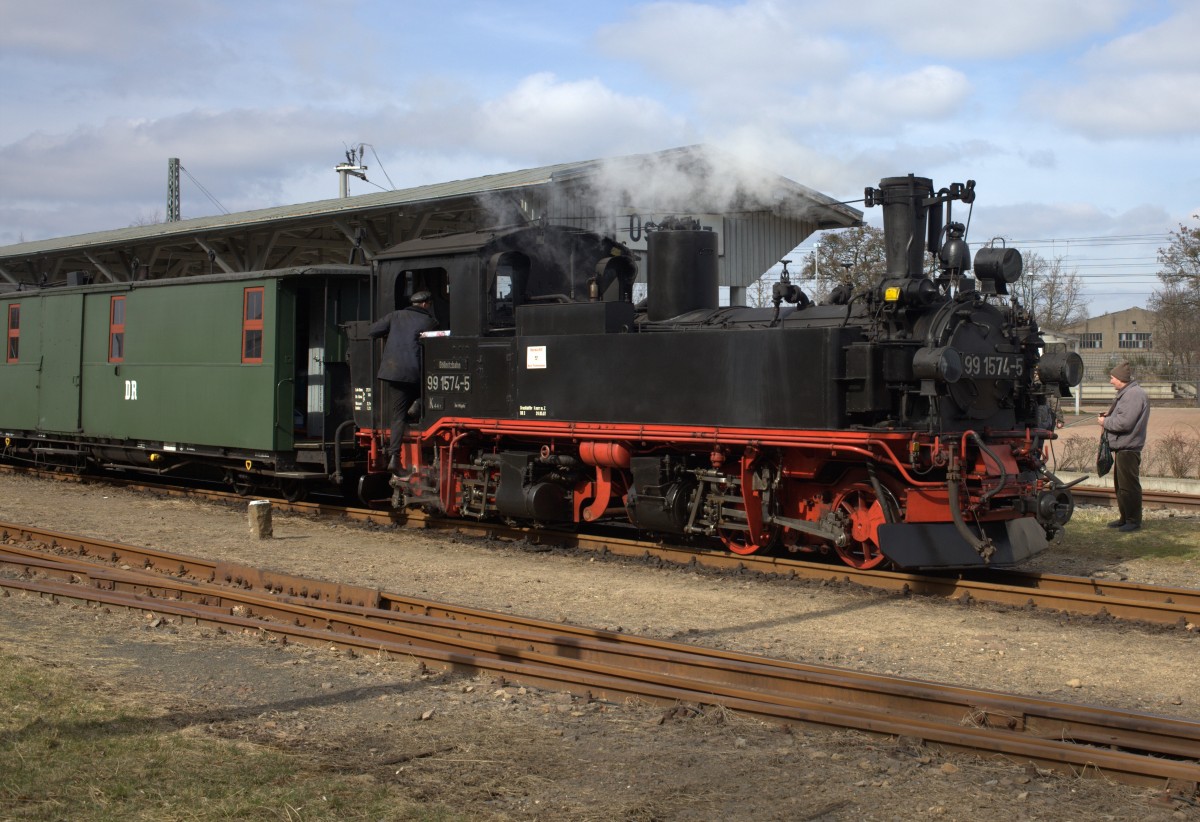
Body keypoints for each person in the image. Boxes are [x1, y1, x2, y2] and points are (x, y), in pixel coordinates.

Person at [369, 290, 437, 473]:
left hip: (394, 372)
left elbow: (373, 331)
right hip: (416, 374)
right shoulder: (430, 322)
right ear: (425, 304)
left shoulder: (395, 316)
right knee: (432, 393)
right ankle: (417, 405)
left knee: (397, 416)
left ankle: (394, 457)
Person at [1097, 361, 1150, 532]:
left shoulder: (1133, 395)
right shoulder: (1129, 393)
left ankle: (1133, 521)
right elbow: (1124, 417)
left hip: (1128, 447)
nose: (1111, 381)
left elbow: (1124, 423)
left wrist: (1105, 422)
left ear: (1120, 378)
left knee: (1129, 487)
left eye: (1112, 377)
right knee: (1121, 487)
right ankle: (1125, 518)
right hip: (1124, 447)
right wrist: (1110, 416)